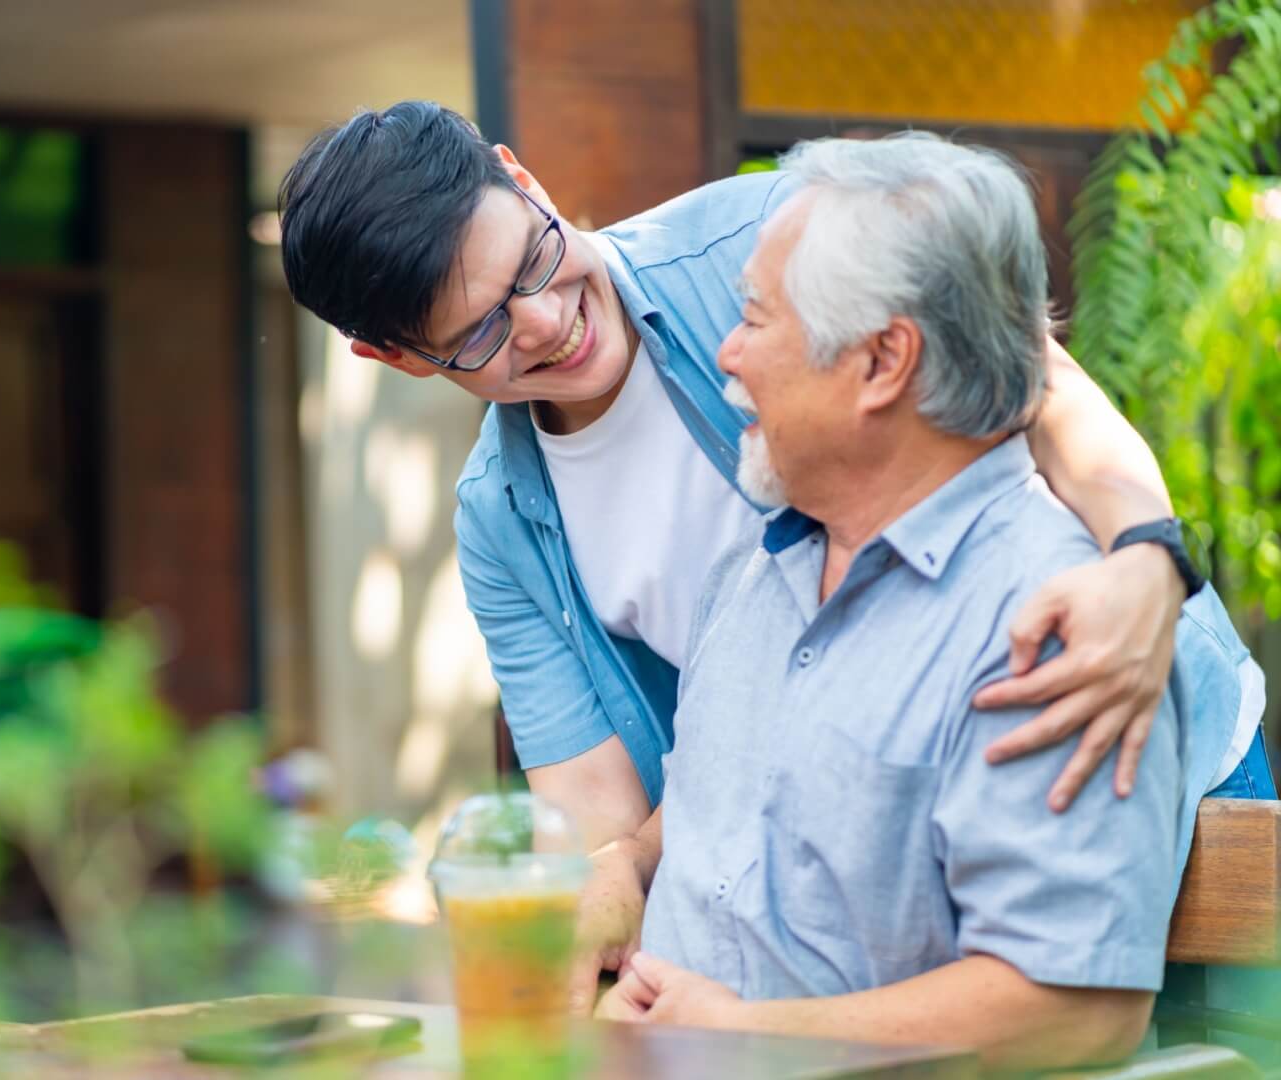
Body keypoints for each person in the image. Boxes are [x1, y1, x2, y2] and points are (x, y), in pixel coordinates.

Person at [277, 102, 1270, 1006]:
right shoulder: (502, 523)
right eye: (481, 330)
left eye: (534, 259)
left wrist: (1143, 563)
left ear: (520, 178)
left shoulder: (775, 243)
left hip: (1101, 703)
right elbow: (610, 832)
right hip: (870, 854)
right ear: (398, 358)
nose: (544, 322)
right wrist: (622, 917)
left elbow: (1037, 387)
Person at [593, 133, 1206, 1069]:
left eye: (755, 319)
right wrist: (627, 872)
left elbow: (1078, 1006)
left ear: (883, 362)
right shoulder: (754, 578)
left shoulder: (1047, 622)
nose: (726, 352)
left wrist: (744, 1036)